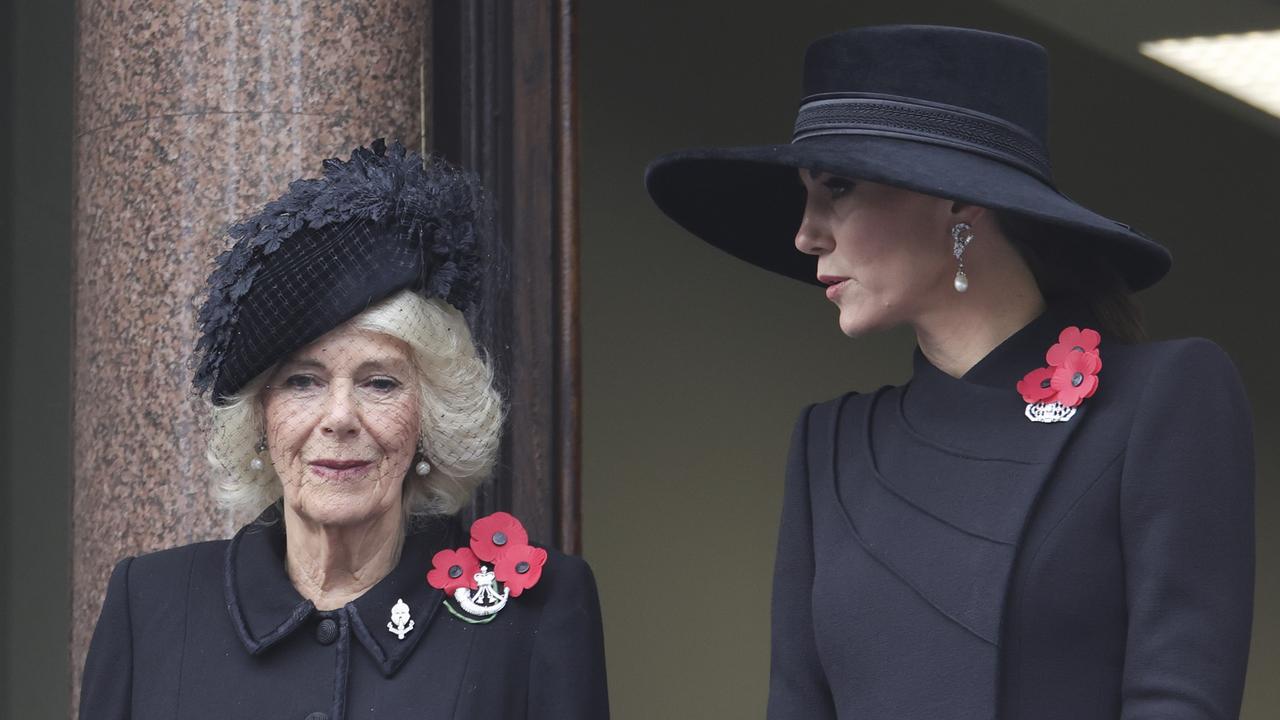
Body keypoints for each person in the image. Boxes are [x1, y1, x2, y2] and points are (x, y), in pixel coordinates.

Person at [645, 25, 1253, 720]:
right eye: (806, 194)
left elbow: (1179, 700)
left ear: (960, 202)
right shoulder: (831, 444)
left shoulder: (1161, 399)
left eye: (837, 187)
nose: (805, 234)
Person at [79, 139, 609, 719]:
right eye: (303, 382)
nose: (338, 418)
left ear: (430, 417)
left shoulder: (537, 613)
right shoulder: (148, 605)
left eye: (380, 383)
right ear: (261, 416)